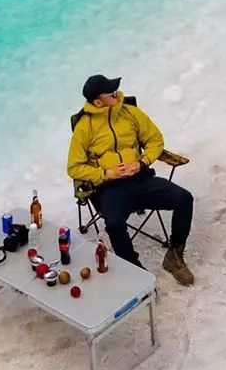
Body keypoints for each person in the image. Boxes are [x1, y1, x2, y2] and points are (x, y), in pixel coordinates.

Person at [67, 74, 195, 286]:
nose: (117, 94)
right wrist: (105, 174)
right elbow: (74, 167)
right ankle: (135, 272)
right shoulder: (84, 128)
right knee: (115, 224)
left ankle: (174, 255)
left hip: (141, 179)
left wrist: (142, 162)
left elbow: (155, 140)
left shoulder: (130, 112)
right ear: (98, 102)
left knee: (184, 198)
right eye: (112, 93)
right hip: (110, 189)